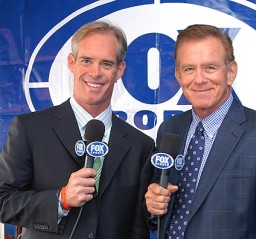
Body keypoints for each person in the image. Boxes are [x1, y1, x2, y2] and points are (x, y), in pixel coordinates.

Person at [0, 21, 155, 239]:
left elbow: (138, 229)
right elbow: (4, 201)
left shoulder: (141, 146)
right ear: (72, 63)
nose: (95, 72)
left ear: (120, 70)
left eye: (107, 64)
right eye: (86, 61)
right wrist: (61, 199)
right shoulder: (29, 129)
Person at [145, 24, 256, 239]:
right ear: (179, 75)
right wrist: (155, 206)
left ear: (231, 72)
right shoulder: (170, 130)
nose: (199, 79)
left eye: (210, 67)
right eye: (189, 68)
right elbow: (167, 214)